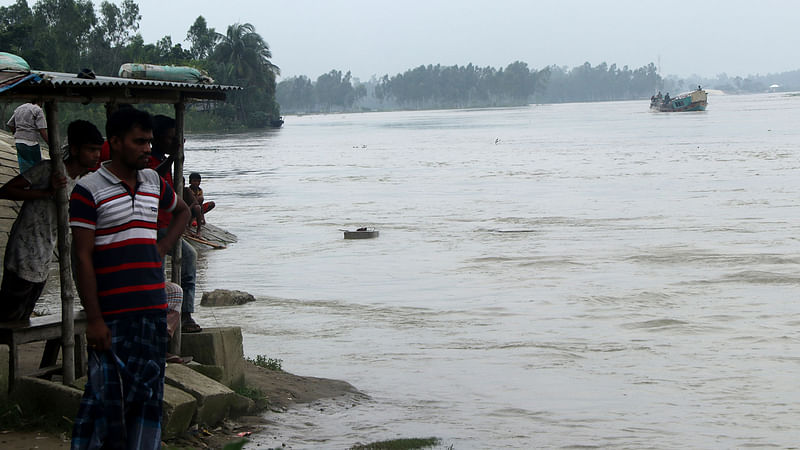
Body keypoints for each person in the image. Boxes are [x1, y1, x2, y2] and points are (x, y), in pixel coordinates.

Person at [69, 108, 190, 449]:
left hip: (151, 311)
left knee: (147, 400)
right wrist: (94, 319)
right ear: (116, 142)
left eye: (149, 141)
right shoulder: (88, 190)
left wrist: (163, 246)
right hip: (112, 316)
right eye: (139, 142)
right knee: (103, 404)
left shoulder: (153, 181)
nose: (147, 148)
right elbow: (82, 257)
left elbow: (182, 211)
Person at [0, 120, 102, 322]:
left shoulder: (83, 182)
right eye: (91, 150)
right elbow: (6, 190)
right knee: (8, 315)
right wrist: (46, 192)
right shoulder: (49, 170)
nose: (97, 155)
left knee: (22, 316)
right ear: (74, 150)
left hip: (45, 255)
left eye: (98, 150)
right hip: (24, 249)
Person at [150, 114, 202, 333]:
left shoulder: (164, 161)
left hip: (167, 226)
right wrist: (173, 157)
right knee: (163, 273)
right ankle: (173, 317)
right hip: (155, 227)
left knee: (186, 260)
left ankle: (183, 313)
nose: (173, 143)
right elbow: (151, 176)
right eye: (170, 138)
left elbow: (176, 189)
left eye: (175, 139)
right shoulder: (152, 161)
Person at [6, 100, 48, 173]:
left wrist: (16, 132)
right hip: (31, 142)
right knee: (36, 167)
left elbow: (10, 124)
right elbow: (42, 130)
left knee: (24, 166)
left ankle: (25, 181)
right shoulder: (38, 109)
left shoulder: (19, 108)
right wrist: (51, 144)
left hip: (19, 141)